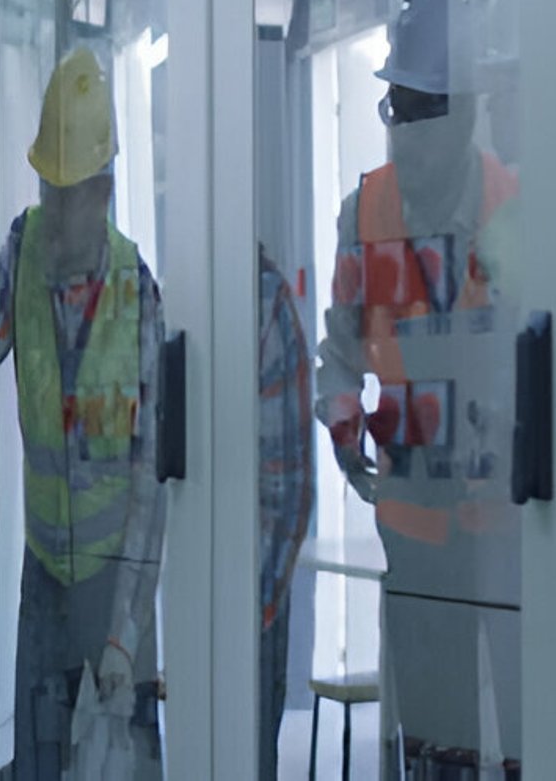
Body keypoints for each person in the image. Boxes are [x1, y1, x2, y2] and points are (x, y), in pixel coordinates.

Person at [314, 0, 521, 776]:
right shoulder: (363, 212)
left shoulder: (514, 209)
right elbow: (338, 349)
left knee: (520, 729)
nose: (402, 135)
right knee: (435, 741)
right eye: (393, 109)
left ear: (466, 113)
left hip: (501, 531)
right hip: (411, 529)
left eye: (419, 112)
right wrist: (340, 423)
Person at [2, 46, 165, 779]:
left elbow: (153, 476)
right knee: (37, 757)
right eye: (47, 187)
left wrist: (126, 635)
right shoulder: (20, 250)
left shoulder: (140, 292)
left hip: (115, 575)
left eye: (71, 192)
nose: (56, 209)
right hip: (44, 569)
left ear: (104, 189)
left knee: (126, 759)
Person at [256, 244, 313, 779]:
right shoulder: (182, 298)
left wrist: (258, 606)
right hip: (200, 589)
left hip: (251, 590)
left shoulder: (265, 303)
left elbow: (290, 483)